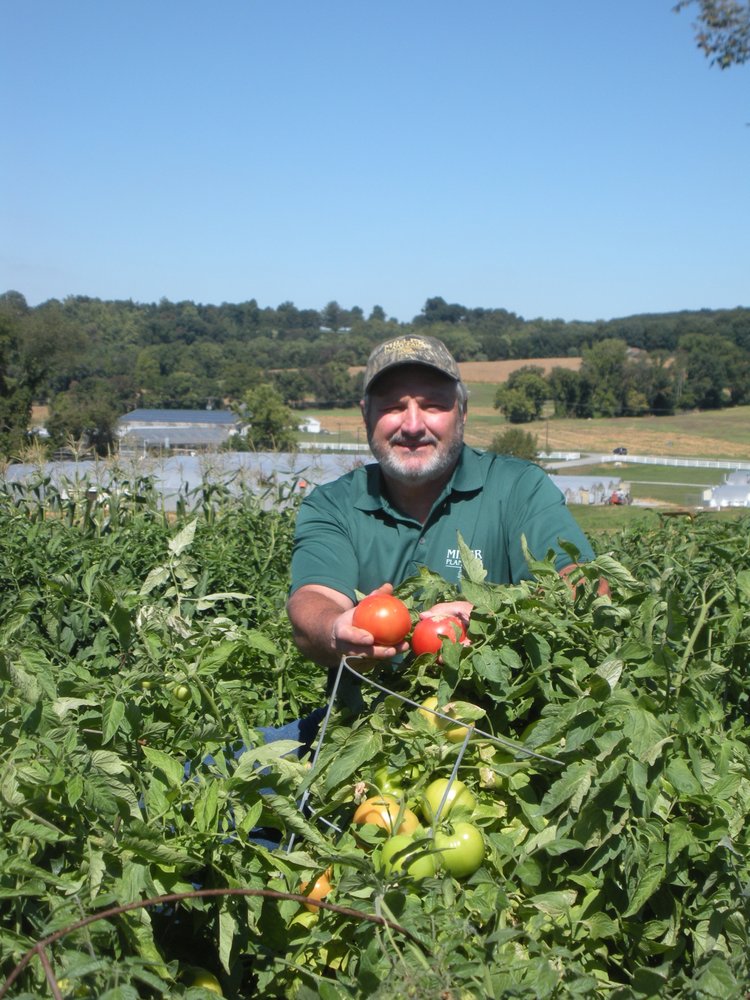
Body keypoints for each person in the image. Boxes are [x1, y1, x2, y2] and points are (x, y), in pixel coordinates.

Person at [287, 334, 606, 670]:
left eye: (433, 405)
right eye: (393, 407)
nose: (412, 425)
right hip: (364, 716)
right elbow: (314, 599)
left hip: (497, 718)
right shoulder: (333, 504)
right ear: (366, 415)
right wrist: (334, 628)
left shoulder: (518, 488)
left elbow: (586, 585)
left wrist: (490, 614)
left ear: (463, 412)